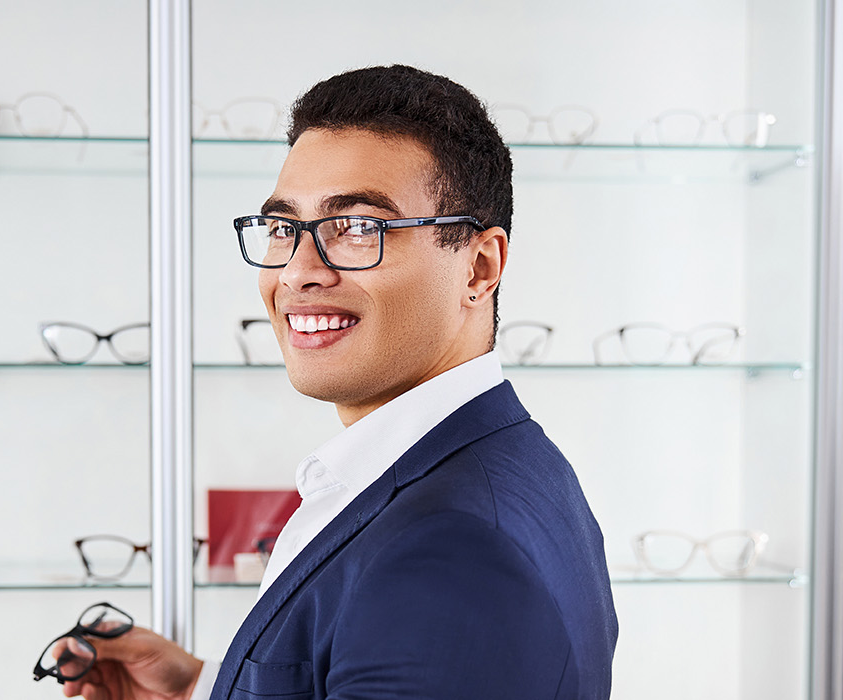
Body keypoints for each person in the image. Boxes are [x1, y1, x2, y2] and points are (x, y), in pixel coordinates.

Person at [62, 64, 617, 700]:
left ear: (479, 266)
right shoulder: (492, 457)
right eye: (282, 228)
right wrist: (204, 690)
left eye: (356, 228)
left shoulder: (453, 549)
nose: (298, 272)